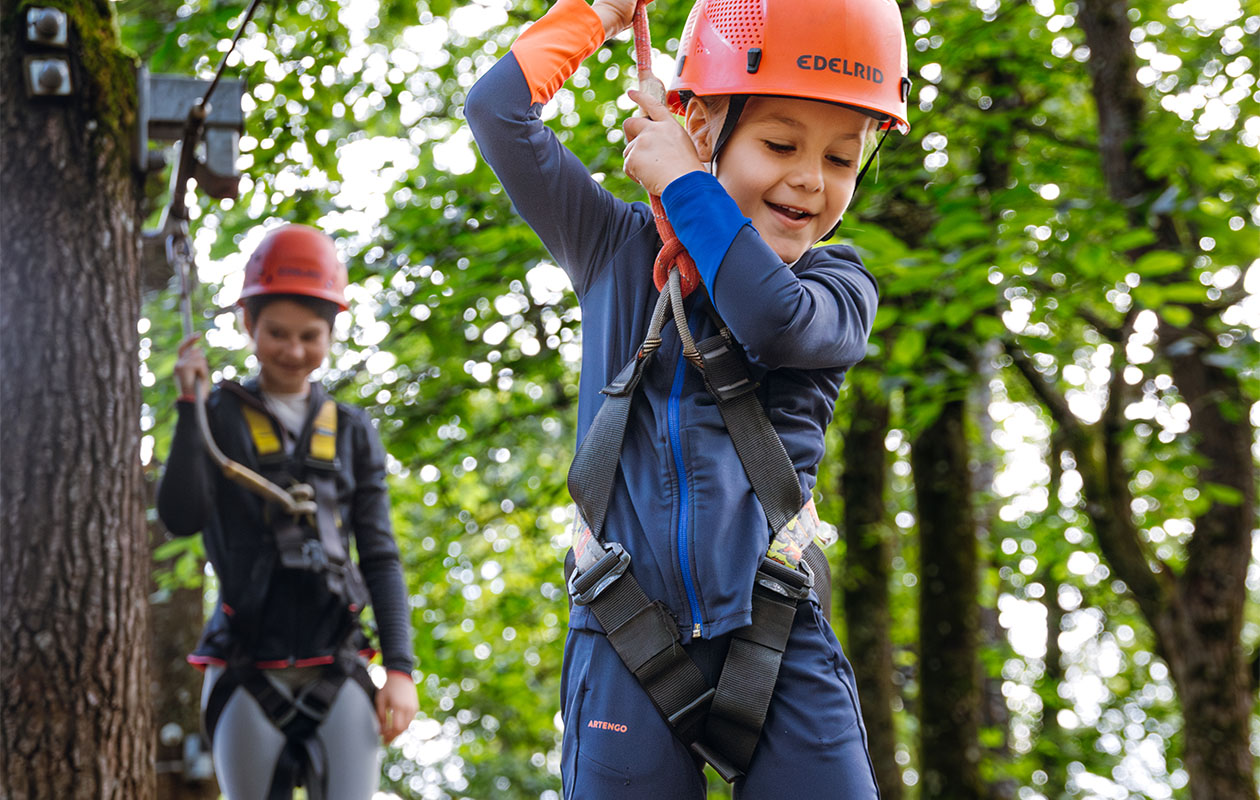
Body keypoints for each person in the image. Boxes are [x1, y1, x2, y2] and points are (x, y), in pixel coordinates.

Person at [467, 0, 910, 796]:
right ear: (702, 126)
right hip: (625, 633)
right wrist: (596, 15)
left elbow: (769, 321)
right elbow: (497, 112)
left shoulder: (835, 285)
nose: (811, 179)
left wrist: (680, 180)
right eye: (781, 143)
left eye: (843, 160)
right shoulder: (616, 249)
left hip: (778, 639)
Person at [157, 223, 418, 800]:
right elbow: (182, 515)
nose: (294, 351)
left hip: (337, 660)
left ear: (330, 333)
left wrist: (399, 668)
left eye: (310, 336)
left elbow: (379, 553)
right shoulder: (220, 411)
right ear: (248, 324)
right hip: (246, 663)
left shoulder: (350, 430)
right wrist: (188, 407)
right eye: (277, 333)